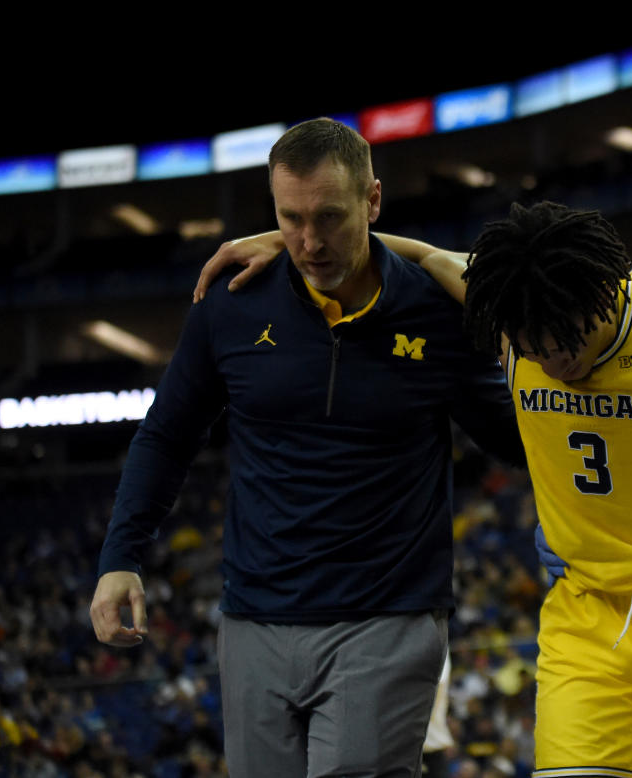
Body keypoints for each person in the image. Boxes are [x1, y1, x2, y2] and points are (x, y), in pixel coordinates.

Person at [198, 200, 632, 778]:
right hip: (582, 617)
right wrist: (284, 241)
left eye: (565, 345)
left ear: (602, 297)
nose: (551, 362)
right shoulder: (512, 302)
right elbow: (417, 254)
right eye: (531, 351)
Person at [89, 118, 524, 778]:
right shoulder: (231, 302)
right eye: (289, 219)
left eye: (329, 216)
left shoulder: (437, 312)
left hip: (386, 620)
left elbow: (513, 440)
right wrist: (120, 554)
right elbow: (168, 434)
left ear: (373, 201)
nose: (309, 241)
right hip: (252, 623)